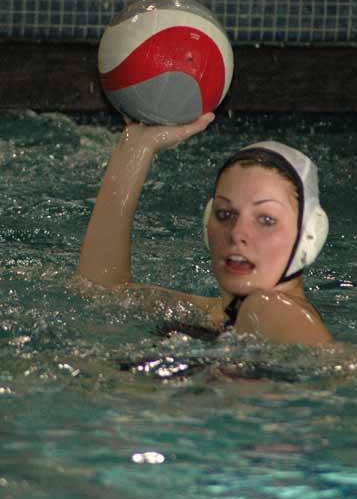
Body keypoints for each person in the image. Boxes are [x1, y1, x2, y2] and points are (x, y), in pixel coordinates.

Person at [77, 113, 332, 346]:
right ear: (207, 224)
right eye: (225, 214)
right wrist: (137, 147)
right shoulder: (224, 313)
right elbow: (98, 289)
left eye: (266, 220)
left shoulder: (269, 308)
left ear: (310, 235)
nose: (237, 234)